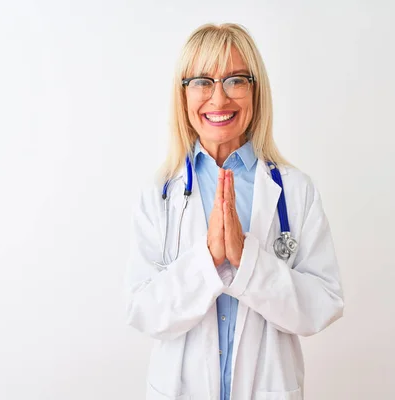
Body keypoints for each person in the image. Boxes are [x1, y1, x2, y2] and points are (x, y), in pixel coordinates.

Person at [124, 22, 344, 400]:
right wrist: (207, 259)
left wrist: (249, 263)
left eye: (236, 80)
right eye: (202, 81)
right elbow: (143, 311)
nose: (219, 98)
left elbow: (322, 305)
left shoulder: (295, 190)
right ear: (183, 94)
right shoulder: (159, 193)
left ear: (256, 91)